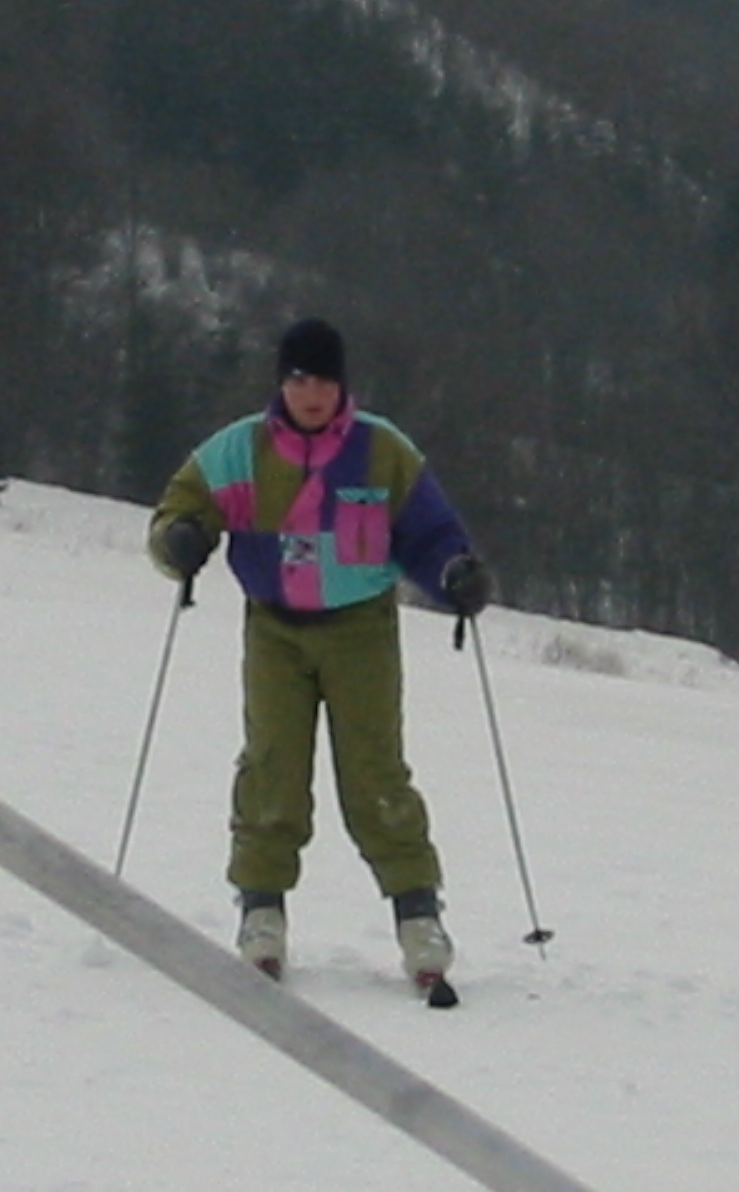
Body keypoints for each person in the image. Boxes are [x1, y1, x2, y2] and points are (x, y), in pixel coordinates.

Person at [148, 317, 492, 992]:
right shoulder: (239, 451)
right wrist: (180, 541)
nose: (312, 394)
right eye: (300, 380)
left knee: (375, 771)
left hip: (360, 629)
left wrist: (455, 573)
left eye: (325, 382)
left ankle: (418, 914)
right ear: (282, 384)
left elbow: (431, 534)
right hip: (274, 630)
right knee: (272, 764)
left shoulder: (382, 451)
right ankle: (261, 909)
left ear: (343, 388)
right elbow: (180, 509)